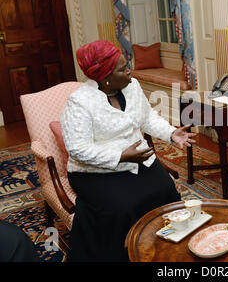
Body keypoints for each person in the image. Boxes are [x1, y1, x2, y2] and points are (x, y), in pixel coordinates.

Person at [60, 40, 196, 261]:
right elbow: (77, 149)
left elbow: (147, 117)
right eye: (123, 69)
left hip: (138, 159)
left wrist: (171, 133)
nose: (129, 72)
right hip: (93, 171)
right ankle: (128, 254)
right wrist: (120, 156)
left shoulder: (132, 86)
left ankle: (166, 249)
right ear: (105, 76)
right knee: (123, 208)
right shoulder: (79, 102)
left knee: (166, 191)